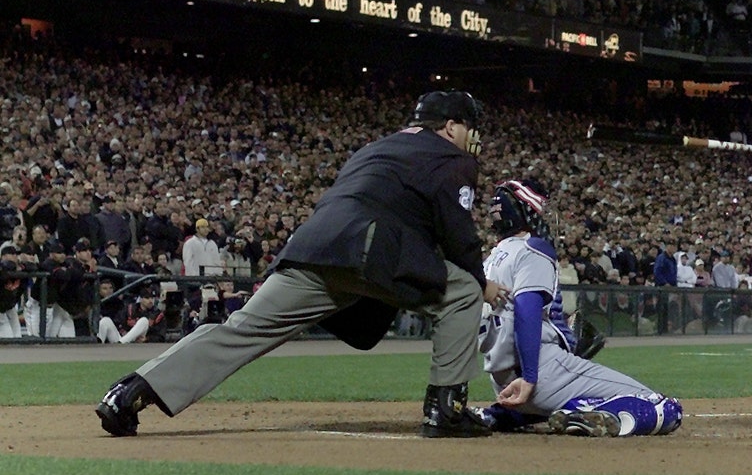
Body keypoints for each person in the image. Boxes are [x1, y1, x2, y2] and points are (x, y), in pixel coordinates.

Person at [96, 91, 506, 438]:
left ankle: (133, 391)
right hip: (368, 250)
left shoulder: (378, 147)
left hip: (314, 246)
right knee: (463, 290)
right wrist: (482, 281)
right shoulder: (450, 157)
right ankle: (446, 406)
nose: (473, 138)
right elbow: (459, 234)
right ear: (451, 126)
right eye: (470, 128)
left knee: (242, 330)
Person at [477, 179, 682, 437]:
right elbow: (525, 312)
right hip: (539, 372)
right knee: (664, 407)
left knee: (551, 396)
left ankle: (499, 415)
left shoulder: (489, 262)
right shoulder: (533, 248)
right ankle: (591, 415)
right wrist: (530, 377)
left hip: (505, 383)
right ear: (525, 211)